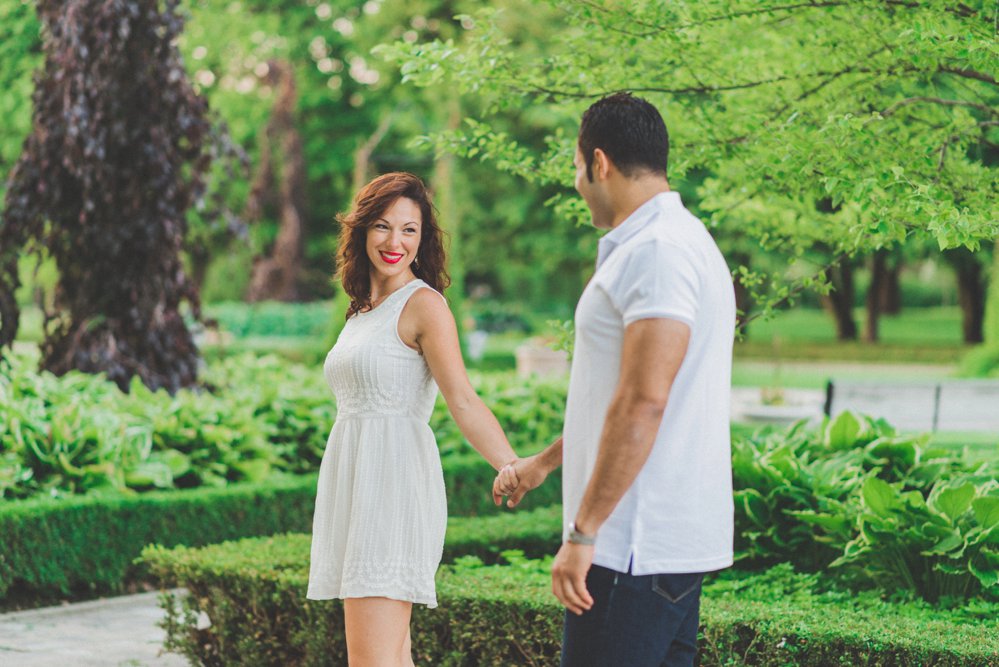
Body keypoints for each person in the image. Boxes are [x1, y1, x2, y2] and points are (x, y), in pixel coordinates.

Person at [494, 92, 736, 667]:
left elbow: (644, 402)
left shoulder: (655, 252)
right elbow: (627, 394)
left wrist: (583, 532)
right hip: (660, 548)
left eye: (577, 169)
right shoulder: (685, 240)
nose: (578, 183)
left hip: (631, 547)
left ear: (598, 162)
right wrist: (545, 464)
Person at [308, 172, 518, 666]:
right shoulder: (361, 310)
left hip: (392, 488)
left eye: (409, 230)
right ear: (361, 231)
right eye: (383, 226)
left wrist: (509, 463)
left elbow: (462, 399)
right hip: (354, 487)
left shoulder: (424, 305)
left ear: (423, 241)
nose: (394, 241)